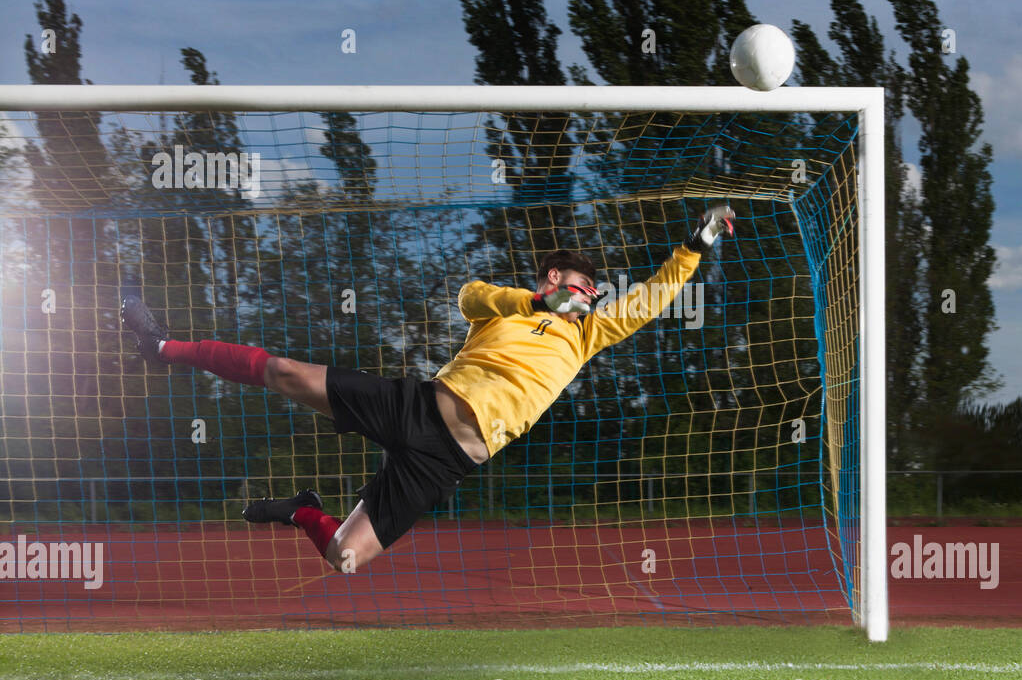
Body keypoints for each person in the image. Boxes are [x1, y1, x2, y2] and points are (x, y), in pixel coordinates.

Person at [120, 204, 735, 572]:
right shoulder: (507, 307)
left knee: (346, 559)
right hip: (415, 408)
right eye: (580, 284)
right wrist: (532, 299)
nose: (591, 294)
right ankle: (160, 347)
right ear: (554, 277)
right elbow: (469, 293)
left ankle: (302, 507)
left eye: (594, 291)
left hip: (448, 462)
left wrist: (697, 243)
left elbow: (652, 299)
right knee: (284, 372)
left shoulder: (587, 336)